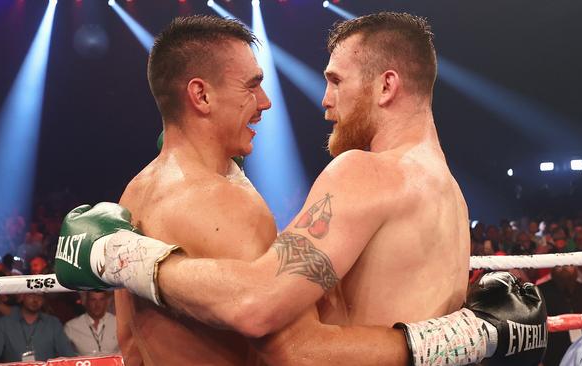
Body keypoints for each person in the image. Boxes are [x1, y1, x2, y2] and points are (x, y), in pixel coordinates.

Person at [56, 14, 546, 366]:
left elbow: (272, 326)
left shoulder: (362, 173)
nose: (324, 99)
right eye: (252, 86)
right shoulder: (449, 193)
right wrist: (470, 337)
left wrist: (119, 255)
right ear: (200, 96)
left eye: (335, 81)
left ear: (386, 85)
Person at [0, 293, 75, 363]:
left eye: (39, 296)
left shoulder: (52, 323)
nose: (35, 300)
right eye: (31, 295)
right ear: (23, 296)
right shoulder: (4, 323)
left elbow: (68, 355)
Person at [64, 291, 119, 356]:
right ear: (86, 302)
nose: (97, 305)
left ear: (106, 302)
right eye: (93, 300)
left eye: (101, 300)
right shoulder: (71, 327)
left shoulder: (118, 323)